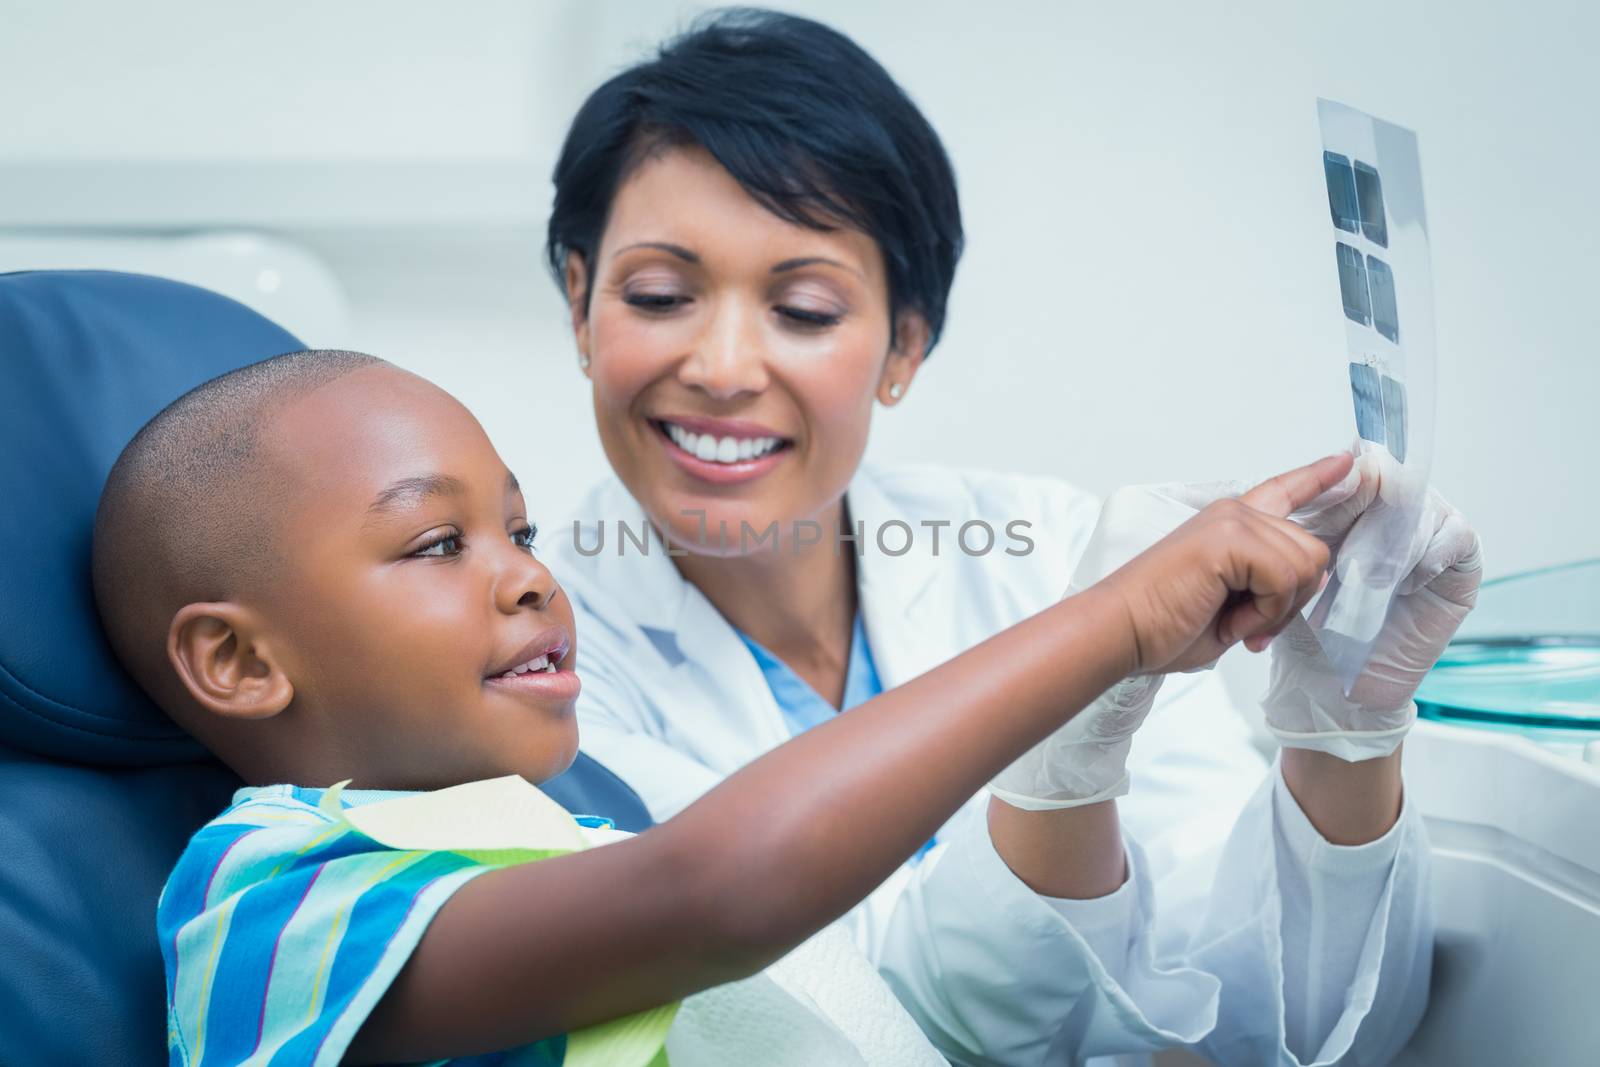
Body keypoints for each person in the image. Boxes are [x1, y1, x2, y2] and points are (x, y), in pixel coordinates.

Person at [541, 9, 1483, 1065]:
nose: (720, 365)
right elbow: (852, 1024)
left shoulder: (1047, 545)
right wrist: (1063, 744)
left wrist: (1342, 728)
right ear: (581, 306)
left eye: (802, 308)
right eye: (660, 295)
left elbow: (1279, 1023)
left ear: (904, 343)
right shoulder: (534, 663)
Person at [93, 349, 1350, 1064]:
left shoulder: (564, 835)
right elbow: (723, 888)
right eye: (437, 541)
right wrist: (1111, 623)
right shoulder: (270, 898)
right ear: (238, 661)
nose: (531, 571)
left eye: (521, 528)